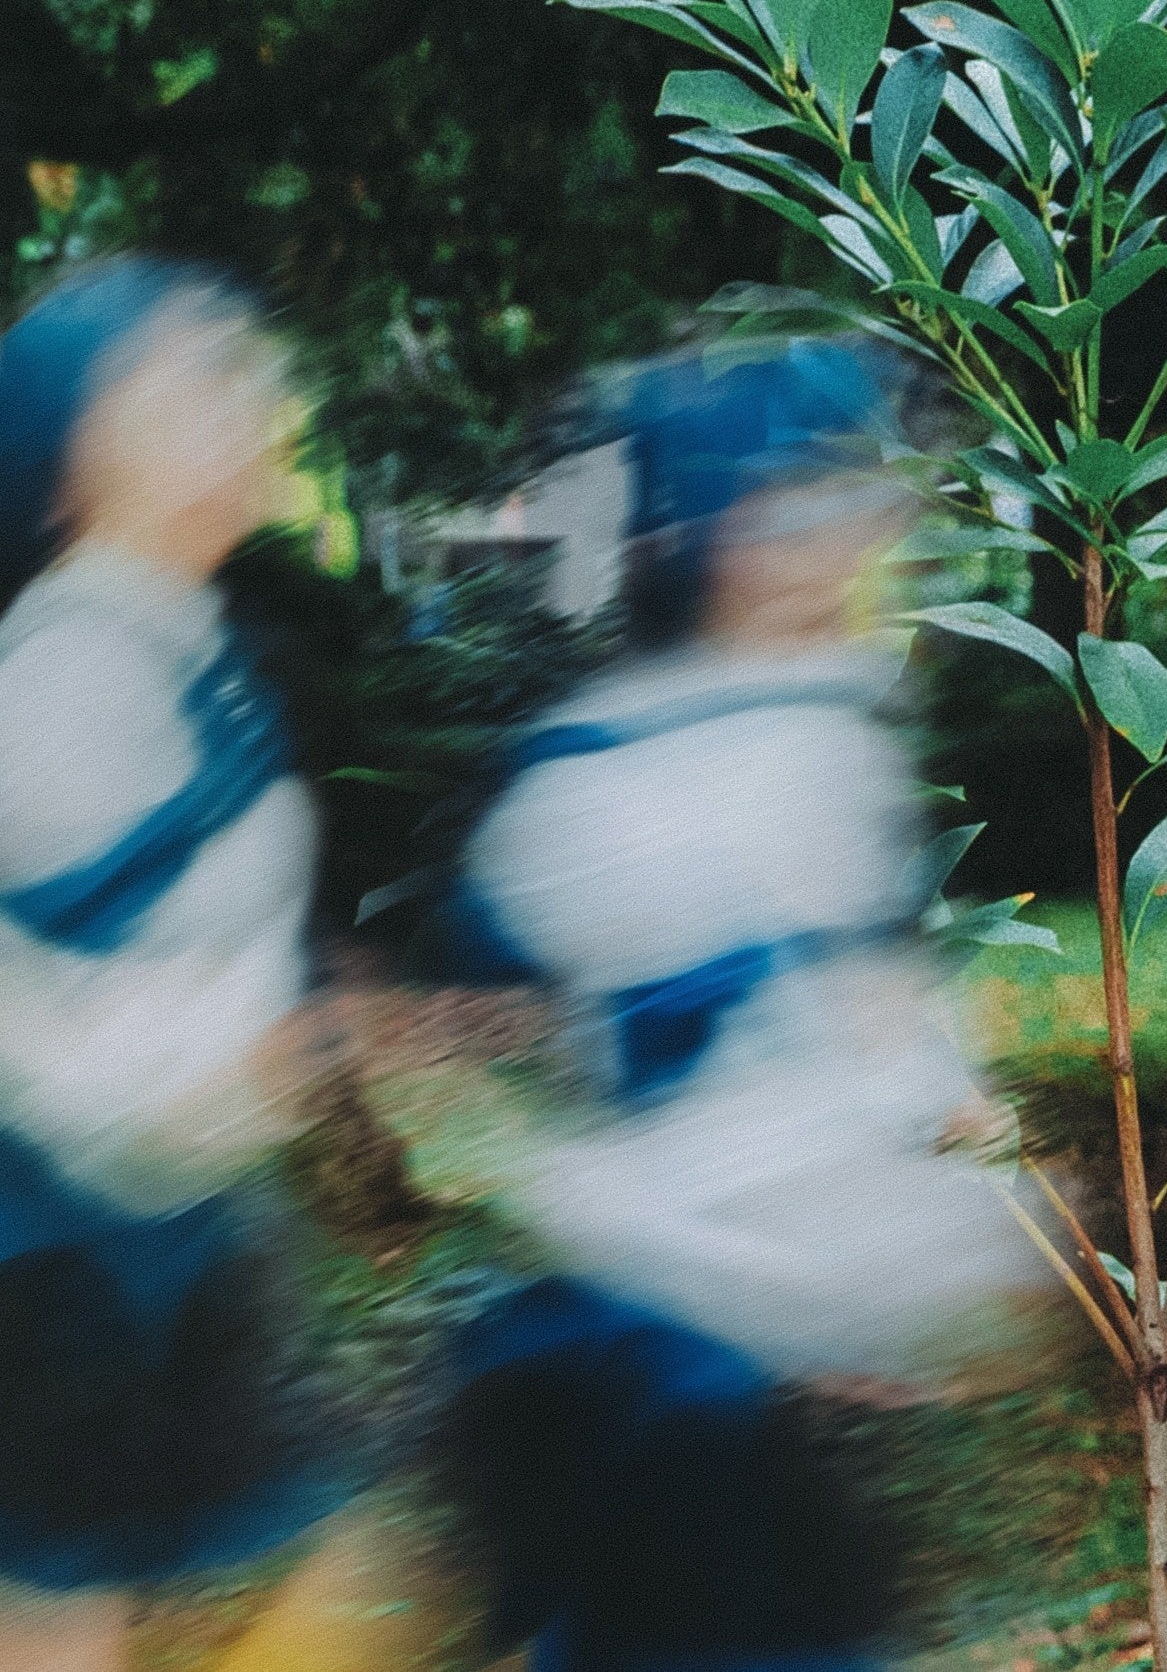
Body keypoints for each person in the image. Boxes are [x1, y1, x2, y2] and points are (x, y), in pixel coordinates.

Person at [446, 344, 1034, 1672]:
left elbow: (853, 1027)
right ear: (724, 544)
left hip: (705, 1365)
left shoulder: (791, 734)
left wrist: (930, 1121)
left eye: (867, 500)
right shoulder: (661, 770)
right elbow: (704, 1080)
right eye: (814, 506)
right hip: (664, 1368)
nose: (866, 539)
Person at [0, 263, 348, 1671]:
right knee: (67, 1614)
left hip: (172, 1234)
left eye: (243, 363)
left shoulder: (173, 636)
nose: (248, 397)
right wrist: (234, 1065)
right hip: (68, 1257)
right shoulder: (65, 674)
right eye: (195, 375)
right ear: (76, 451)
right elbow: (36, 1013)